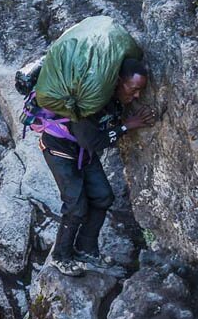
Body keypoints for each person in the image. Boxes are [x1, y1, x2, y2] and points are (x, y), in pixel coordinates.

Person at [40, 58, 156, 276]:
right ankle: (61, 256)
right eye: (134, 89)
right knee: (76, 206)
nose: (137, 95)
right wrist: (127, 126)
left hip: (83, 149)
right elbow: (91, 141)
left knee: (103, 196)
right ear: (119, 81)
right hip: (60, 148)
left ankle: (86, 249)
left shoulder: (113, 97)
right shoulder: (90, 101)